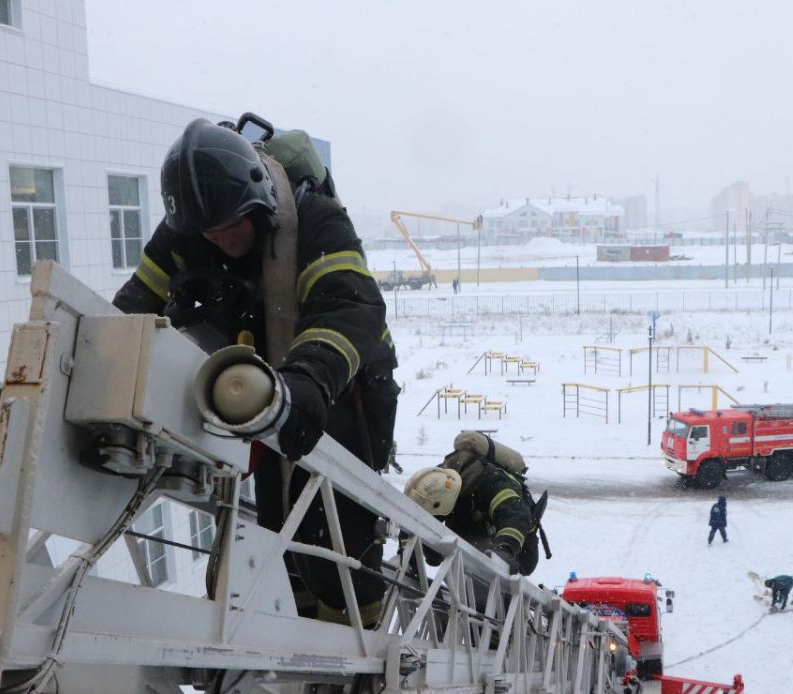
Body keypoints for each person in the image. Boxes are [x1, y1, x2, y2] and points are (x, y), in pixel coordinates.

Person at [113, 118, 398, 625]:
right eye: (209, 232)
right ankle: (303, 622)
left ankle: (360, 628)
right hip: (263, 382)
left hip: (344, 381)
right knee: (278, 515)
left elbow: (348, 308)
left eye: (232, 225)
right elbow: (134, 306)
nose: (221, 239)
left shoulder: (318, 221)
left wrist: (309, 381)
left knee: (337, 525)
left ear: (260, 200)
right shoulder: (188, 230)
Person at [403, 434, 541, 576]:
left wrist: (506, 549)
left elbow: (515, 517)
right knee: (462, 573)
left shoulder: (494, 483)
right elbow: (417, 517)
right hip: (470, 532)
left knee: (501, 578)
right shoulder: (439, 481)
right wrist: (411, 553)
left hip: (519, 545)